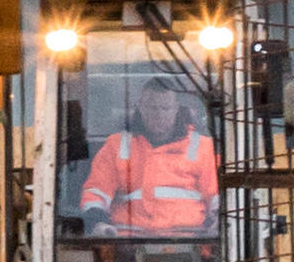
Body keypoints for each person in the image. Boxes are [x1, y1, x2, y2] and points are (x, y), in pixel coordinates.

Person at [79, 74, 219, 237]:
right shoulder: (116, 146)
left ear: (177, 109)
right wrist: (98, 222)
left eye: (165, 108)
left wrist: (217, 223)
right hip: (127, 242)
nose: (158, 114)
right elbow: (97, 192)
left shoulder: (203, 147)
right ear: (140, 108)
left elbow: (217, 195)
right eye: (152, 108)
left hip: (191, 240)